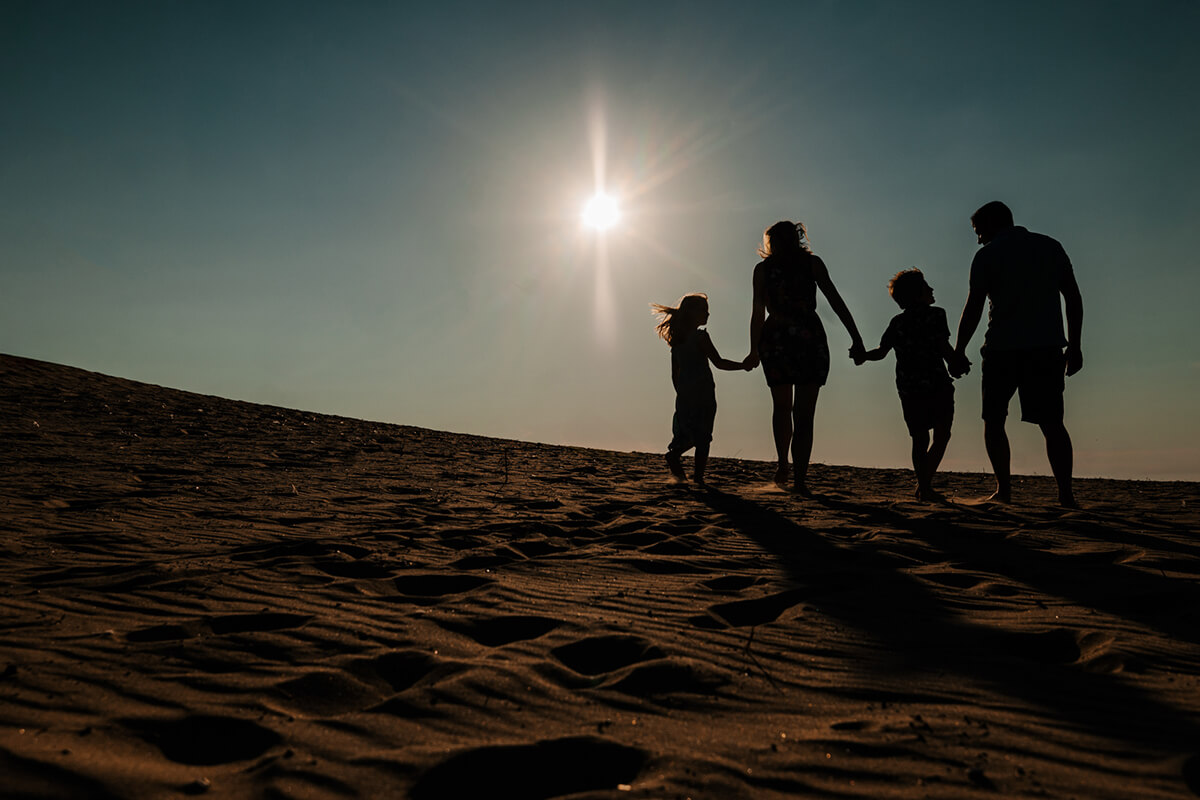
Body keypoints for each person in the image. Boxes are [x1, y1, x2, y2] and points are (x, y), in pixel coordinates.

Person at [949, 201, 1084, 507]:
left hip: (1002, 349)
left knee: (994, 420)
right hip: (1046, 347)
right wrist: (1074, 345)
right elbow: (1073, 298)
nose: (978, 238)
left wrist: (959, 349)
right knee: (1052, 423)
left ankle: (1004, 490)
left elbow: (974, 307)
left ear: (991, 225)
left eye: (978, 231)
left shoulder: (987, 255)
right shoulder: (1050, 246)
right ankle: (1066, 494)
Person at [744, 221, 866, 494]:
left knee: (796, 411)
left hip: (795, 339)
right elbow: (757, 311)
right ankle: (788, 468)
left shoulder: (804, 265)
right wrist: (753, 349)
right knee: (792, 411)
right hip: (789, 339)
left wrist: (856, 337)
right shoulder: (768, 269)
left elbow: (835, 300)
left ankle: (794, 473)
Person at [856, 268, 957, 501]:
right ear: (917, 293)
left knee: (920, 438)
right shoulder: (936, 315)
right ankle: (925, 486)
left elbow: (881, 353)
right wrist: (956, 362)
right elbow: (943, 347)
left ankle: (924, 485)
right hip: (936, 384)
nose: (931, 290)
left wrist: (863, 356)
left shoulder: (897, 322)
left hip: (909, 387)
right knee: (941, 435)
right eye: (926, 287)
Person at [651, 293, 749, 486]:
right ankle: (698, 478)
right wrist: (743, 366)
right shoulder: (700, 337)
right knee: (703, 437)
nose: (708, 314)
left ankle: (675, 459)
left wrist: (681, 392)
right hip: (703, 393)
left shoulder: (677, 343)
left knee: (688, 434)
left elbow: (674, 374)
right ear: (692, 313)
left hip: (685, 394)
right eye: (704, 310)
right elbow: (719, 363)